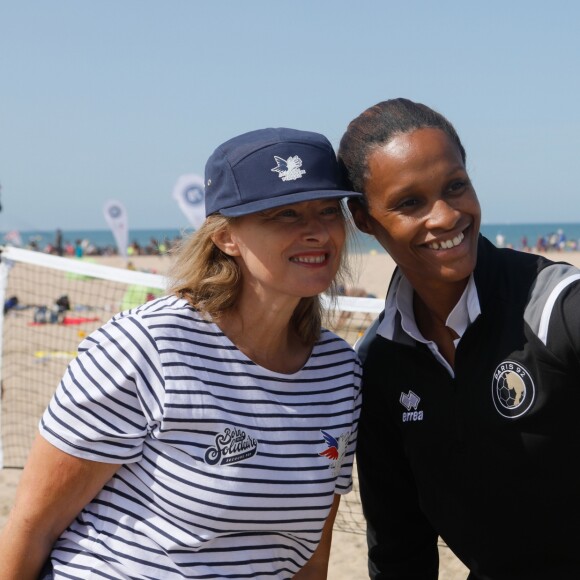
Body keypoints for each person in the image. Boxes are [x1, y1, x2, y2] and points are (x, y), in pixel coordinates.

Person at [0, 127, 363, 579]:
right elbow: (32, 526)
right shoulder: (143, 347)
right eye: (285, 214)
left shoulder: (339, 371)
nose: (315, 231)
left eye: (327, 210)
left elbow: (311, 553)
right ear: (225, 237)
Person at [337, 98, 580, 579]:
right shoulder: (379, 365)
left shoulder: (556, 308)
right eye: (410, 202)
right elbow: (399, 546)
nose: (446, 216)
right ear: (364, 219)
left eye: (456, 187)